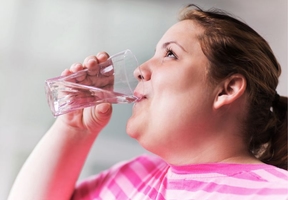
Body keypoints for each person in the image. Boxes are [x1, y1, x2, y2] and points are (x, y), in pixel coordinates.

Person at [8, 4, 288, 200]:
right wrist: (74, 130)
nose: (139, 69)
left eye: (170, 55)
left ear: (226, 90)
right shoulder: (134, 174)